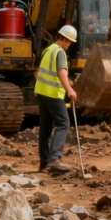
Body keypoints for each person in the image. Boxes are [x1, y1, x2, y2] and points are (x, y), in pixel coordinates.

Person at [34, 25, 79, 173]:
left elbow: (36, 73)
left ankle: (44, 163)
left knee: (46, 129)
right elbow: (62, 73)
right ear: (64, 38)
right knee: (63, 124)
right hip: (53, 94)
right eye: (70, 42)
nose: (69, 45)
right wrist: (70, 90)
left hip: (41, 93)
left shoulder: (47, 50)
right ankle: (55, 159)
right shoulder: (59, 52)